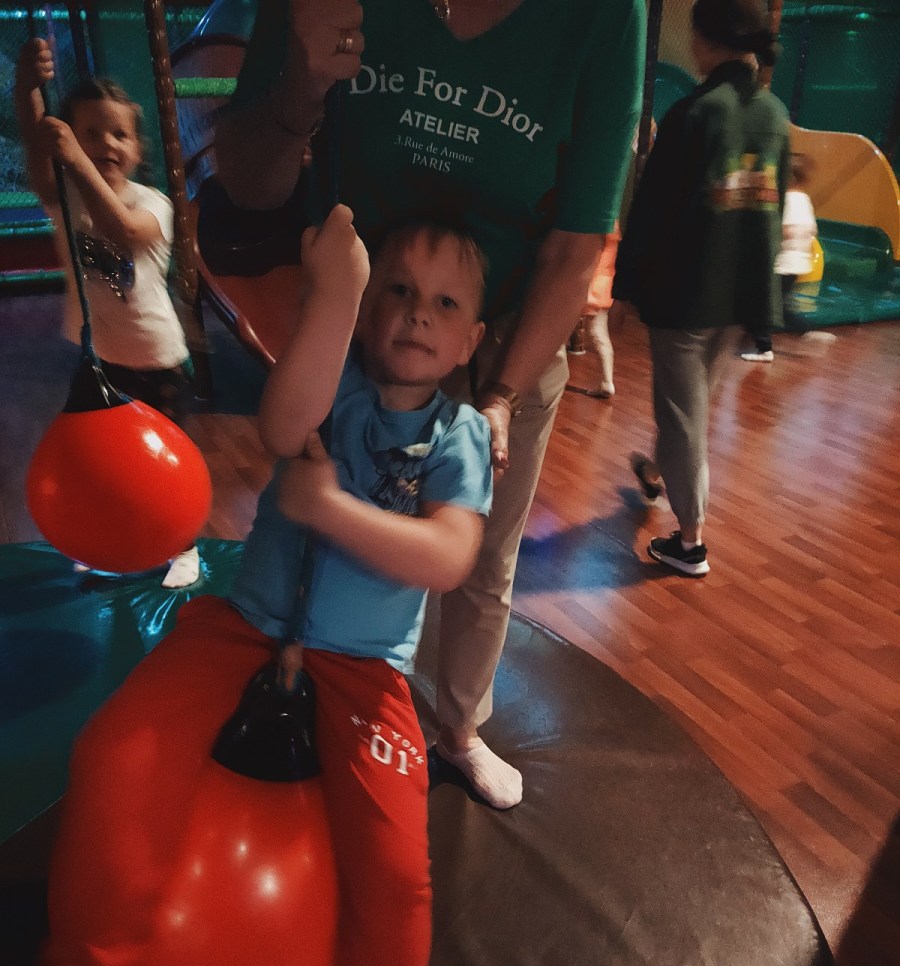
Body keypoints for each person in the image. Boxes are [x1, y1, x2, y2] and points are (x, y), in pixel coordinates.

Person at [21, 205, 493, 966]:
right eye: (399, 291)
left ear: (471, 340)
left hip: (364, 673)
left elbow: (451, 556)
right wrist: (339, 291)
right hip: (246, 627)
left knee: (396, 871)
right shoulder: (337, 385)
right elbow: (283, 425)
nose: (417, 314)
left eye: (445, 304)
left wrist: (333, 510)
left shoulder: (458, 437)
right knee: (113, 753)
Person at [210, 0, 645, 809]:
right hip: (354, 315)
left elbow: (576, 245)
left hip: (502, 332)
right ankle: (309, 673)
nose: (424, 316)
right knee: (314, 517)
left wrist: (500, 395)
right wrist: (299, 90)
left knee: (486, 556)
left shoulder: (602, 16)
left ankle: (458, 728)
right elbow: (248, 185)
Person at [611, 0, 790, 577]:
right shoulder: (775, 116)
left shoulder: (693, 113)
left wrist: (624, 286)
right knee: (691, 407)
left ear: (707, 39)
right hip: (739, 295)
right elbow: (771, 211)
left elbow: (651, 211)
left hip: (685, 295)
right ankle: (656, 473)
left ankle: (689, 543)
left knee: (684, 415)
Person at [15, 41, 200, 588]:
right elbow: (35, 138)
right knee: (102, 463)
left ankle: (183, 544)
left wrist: (74, 156)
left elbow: (124, 231)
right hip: (99, 361)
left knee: (167, 463)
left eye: (118, 134)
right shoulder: (64, 197)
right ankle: (109, 541)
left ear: (138, 149)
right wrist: (26, 86)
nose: (105, 145)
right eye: (90, 133)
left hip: (158, 363)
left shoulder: (154, 204)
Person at [742, 151, 818, 362]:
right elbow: (811, 230)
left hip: (783, 264)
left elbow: (785, 229)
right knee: (780, 305)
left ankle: (764, 348)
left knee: (766, 306)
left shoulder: (789, 200)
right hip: (797, 264)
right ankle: (806, 329)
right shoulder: (804, 199)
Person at [580, 225, 622, 398]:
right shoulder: (613, 230)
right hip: (604, 285)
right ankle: (607, 381)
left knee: (559, 330)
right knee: (599, 333)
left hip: (589, 285)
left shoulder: (597, 226)